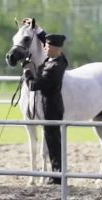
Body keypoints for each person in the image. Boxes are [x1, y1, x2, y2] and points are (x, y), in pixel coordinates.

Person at [24, 26, 68, 184]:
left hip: (51, 108)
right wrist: (37, 29)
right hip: (52, 106)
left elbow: (33, 85)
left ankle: (58, 177)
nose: (44, 47)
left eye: (47, 46)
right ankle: (56, 174)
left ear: (55, 49)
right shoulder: (59, 59)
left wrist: (27, 72)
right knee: (53, 142)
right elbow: (47, 42)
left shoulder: (53, 69)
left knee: (54, 143)